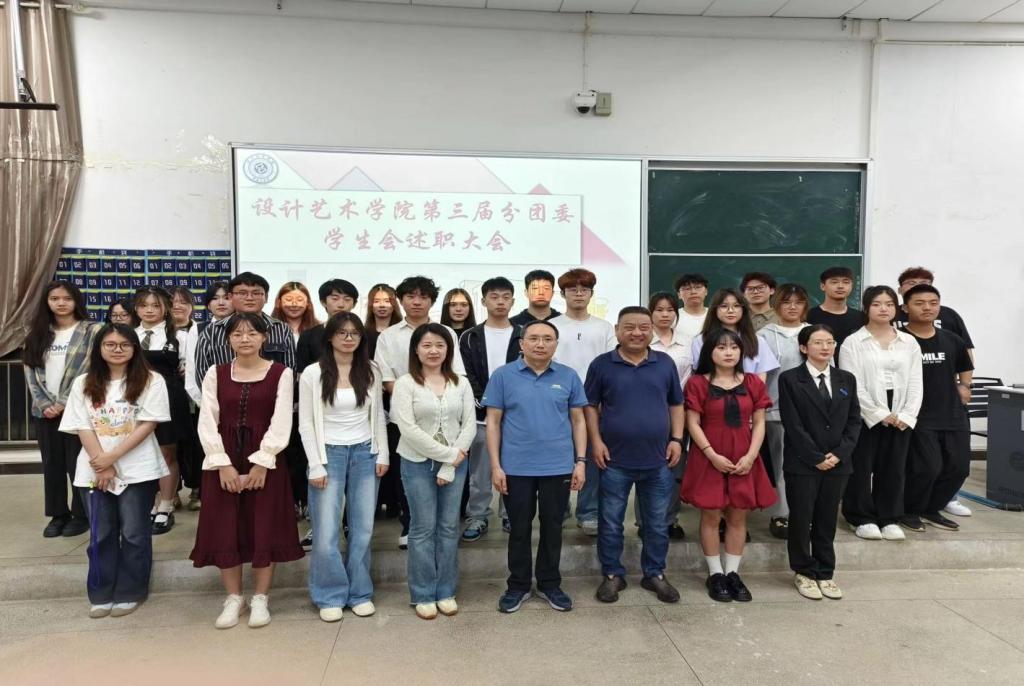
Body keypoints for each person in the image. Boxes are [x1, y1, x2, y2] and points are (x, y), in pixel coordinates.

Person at [190, 313, 302, 629]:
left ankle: (261, 598)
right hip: (222, 457)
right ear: (228, 339)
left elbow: (282, 420)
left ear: (264, 337)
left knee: (265, 525)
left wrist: (263, 461)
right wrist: (222, 463)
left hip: (266, 460)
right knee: (225, 526)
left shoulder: (281, 373)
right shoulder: (215, 373)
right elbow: (207, 420)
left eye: (252, 333)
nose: (245, 339)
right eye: (237, 334)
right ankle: (234, 598)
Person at [59, 324, 170, 618]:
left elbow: (148, 424)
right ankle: (100, 593)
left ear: (135, 348)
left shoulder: (152, 380)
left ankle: (131, 591)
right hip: (92, 472)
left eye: (124, 344)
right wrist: (102, 462)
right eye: (110, 344)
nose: (117, 349)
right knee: (100, 534)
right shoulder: (83, 382)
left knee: (134, 533)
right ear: (99, 349)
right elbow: (81, 425)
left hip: (138, 470)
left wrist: (111, 458)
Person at [485, 320, 587, 613]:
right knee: (518, 528)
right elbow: (493, 422)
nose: (540, 344)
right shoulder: (503, 375)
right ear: (522, 343)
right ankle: (517, 586)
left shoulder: (568, 376)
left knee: (553, 527)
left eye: (547, 339)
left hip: (558, 466)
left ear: (556, 344)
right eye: (533, 338)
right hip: (515, 467)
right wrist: (496, 466)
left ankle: (549, 583)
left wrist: (580, 462)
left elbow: (578, 421)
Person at [586, 307, 685, 604]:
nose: (637, 333)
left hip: (658, 460)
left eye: (644, 326)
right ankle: (612, 574)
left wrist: (677, 439)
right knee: (610, 522)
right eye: (629, 327)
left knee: (656, 523)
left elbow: (676, 404)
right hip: (613, 460)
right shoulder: (602, 365)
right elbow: (589, 406)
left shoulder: (664, 363)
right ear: (617, 330)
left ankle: (654, 573)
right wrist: (596, 442)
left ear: (652, 330)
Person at [298, 312, 388, 622]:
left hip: (365, 453)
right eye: (342, 333)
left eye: (354, 333)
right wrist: (315, 464)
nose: (348, 338)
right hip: (328, 455)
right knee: (326, 532)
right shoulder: (313, 373)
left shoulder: (371, 370)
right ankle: (330, 594)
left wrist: (383, 454)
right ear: (330, 337)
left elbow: (378, 415)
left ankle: (359, 592)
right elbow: (306, 423)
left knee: (363, 529)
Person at [681, 329, 776, 603]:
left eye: (734, 348)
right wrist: (711, 454)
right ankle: (715, 574)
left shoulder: (753, 383)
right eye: (721, 347)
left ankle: (733, 572)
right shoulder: (697, 383)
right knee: (711, 515)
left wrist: (751, 456)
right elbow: (692, 423)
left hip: (744, 455)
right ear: (709, 352)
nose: (728, 352)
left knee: (738, 515)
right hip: (708, 456)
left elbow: (759, 422)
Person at [374, 276, 466, 548]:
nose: (417, 301)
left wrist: (437, 401)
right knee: (408, 477)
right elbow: (386, 379)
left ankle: (444, 529)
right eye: (410, 296)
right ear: (400, 301)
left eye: (423, 296)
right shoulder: (388, 336)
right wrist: (416, 399)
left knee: (446, 475)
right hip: (404, 418)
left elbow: (457, 374)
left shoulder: (446, 333)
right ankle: (410, 525)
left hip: (445, 417)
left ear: (432, 301)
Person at [392, 324, 476, 620]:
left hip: (455, 464)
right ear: (416, 350)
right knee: (422, 528)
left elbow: (469, 424)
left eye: (440, 345)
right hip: (416, 462)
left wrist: (451, 463)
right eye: (426, 345)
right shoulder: (405, 384)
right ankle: (423, 593)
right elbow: (408, 429)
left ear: (448, 350)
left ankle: (446, 590)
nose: (433, 351)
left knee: (449, 527)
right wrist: (449, 456)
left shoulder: (460, 383)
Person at [778, 325, 862, 601]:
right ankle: (803, 570)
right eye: (818, 342)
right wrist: (815, 457)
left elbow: (854, 421)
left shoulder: (846, 378)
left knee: (827, 519)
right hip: (802, 463)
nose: (825, 347)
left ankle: (825, 571)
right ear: (804, 348)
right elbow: (792, 423)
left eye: (830, 342)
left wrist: (839, 454)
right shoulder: (791, 379)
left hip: (839, 463)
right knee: (801, 518)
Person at [839, 285, 922, 542]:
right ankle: (860, 517)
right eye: (876, 304)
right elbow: (852, 383)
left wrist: (907, 414)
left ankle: (889, 517)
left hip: (900, 413)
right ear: (866, 308)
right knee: (861, 467)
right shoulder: (853, 342)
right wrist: (877, 413)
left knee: (894, 468)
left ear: (896, 308)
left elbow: (916, 381)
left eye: (889, 304)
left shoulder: (908, 341)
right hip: (865, 413)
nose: (883, 309)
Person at [895, 267, 977, 519]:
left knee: (959, 468)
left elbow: (965, 365)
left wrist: (965, 386)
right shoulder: (899, 339)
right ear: (905, 308)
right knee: (927, 468)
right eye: (919, 303)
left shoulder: (951, 339)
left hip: (952, 412)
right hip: (918, 414)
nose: (927, 308)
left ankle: (932, 508)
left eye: (933, 303)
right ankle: (912, 510)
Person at [23, 281, 101, 538]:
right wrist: (45, 404)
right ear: (47, 302)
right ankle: (58, 514)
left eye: (67, 298)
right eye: (55, 298)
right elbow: (30, 371)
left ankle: (81, 514)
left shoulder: (91, 330)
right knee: (52, 465)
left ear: (76, 300)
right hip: (44, 412)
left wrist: (64, 402)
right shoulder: (37, 333)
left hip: (78, 409)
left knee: (78, 463)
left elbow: (90, 369)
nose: (61, 303)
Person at [550, 268, 617, 537]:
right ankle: (559, 509)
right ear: (563, 294)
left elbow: (611, 365)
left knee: (591, 457)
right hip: (557, 401)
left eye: (584, 289)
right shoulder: (553, 325)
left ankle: (588, 512)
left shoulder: (604, 327)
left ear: (591, 294)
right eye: (572, 290)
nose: (578, 294)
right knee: (558, 458)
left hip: (594, 403)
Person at [458, 277, 522, 542]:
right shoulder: (470, 336)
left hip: (517, 416)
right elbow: (466, 374)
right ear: (483, 301)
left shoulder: (524, 333)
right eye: (494, 297)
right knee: (480, 470)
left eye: (506, 297)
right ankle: (478, 515)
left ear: (513, 301)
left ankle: (510, 514)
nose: (500, 302)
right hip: (481, 416)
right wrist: (483, 401)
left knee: (514, 469)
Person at [133, 286, 189, 534]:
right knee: (140, 452)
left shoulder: (180, 336)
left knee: (167, 453)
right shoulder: (128, 335)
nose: (149, 310)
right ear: (136, 309)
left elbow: (188, 369)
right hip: (134, 400)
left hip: (168, 399)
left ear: (166, 308)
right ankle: (147, 504)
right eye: (144, 305)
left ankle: (165, 506)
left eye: (156, 305)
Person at [759, 284, 811, 540]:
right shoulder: (763, 335)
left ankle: (804, 514)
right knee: (781, 463)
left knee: (808, 463)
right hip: (775, 409)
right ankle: (781, 514)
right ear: (776, 305)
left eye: (798, 302)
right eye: (786, 302)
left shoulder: (814, 332)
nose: (792, 307)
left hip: (810, 412)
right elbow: (758, 374)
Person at [641, 291, 692, 541]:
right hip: (647, 412)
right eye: (659, 309)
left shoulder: (689, 342)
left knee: (674, 467)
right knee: (645, 468)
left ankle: (670, 519)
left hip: (679, 411)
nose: (665, 314)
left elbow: (694, 376)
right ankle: (644, 521)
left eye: (670, 310)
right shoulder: (642, 340)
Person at [193, 272, 296, 388]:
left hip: (272, 396)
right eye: (242, 293)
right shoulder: (212, 331)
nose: (249, 298)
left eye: (256, 293)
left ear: (266, 297)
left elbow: (290, 369)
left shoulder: (281, 329)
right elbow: (202, 372)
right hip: (224, 397)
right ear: (230, 297)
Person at [183, 281, 234, 511]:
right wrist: (209, 406)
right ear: (207, 304)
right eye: (215, 298)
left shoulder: (245, 327)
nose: (221, 302)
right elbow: (193, 373)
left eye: (226, 297)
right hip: (209, 406)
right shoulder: (199, 329)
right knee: (214, 454)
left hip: (242, 406)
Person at [690, 289, 780, 381]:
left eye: (736, 306)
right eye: (724, 306)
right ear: (714, 309)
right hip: (711, 389)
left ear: (743, 309)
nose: (730, 311)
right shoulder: (701, 340)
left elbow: (761, 376)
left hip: (750, 389)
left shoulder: (757, 340)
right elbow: (700, 373)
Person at [296, 279, 359, 373]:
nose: (341, 305)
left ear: (354, 304)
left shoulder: (363, 334)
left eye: (347, 299)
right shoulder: (308, 336)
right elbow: (302, 372)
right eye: (335, 299)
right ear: (323, 302)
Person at [806, 266, 866, 354]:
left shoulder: (861, 317)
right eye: (834, 282)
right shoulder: (809, 316)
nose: (840, 286)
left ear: (851, 286)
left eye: (846, 282)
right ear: (822, 286)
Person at [272, 281, 320, 346]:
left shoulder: (320, 329)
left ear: (308, 303)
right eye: (288, 299)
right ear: (279, 302)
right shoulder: (269, 328)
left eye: (300, 300)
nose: (294, 304)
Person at [363, 283, 402, 359]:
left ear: (394, 304)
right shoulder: (362, 334)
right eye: (376, 301)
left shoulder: (403, 332)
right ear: (370, 305)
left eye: (387, 301)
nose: (382, 305)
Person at [673, 273, 709, 339]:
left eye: (698, 287)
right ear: (679, 295)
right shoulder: (673, 316)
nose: (693, 292)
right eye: (687, 289)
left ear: (706, 291)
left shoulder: (715, 314)